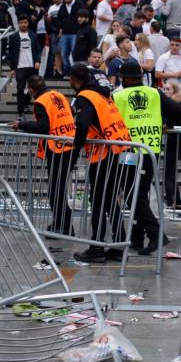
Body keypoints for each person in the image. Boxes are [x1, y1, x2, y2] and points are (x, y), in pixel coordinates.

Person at [113, 60, 181, 255]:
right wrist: (166, 124)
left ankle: (156, 234)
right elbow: (178, 111)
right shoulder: (154, 93)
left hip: (128, 153)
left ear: (125, 78)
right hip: (150, 151)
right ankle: (137, 238)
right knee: (138, 196)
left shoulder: (118, 96)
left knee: (132, 196)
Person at [68, 63, 133, 263]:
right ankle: (119, 244)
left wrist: (74, 152)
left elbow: (83, 125)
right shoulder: (103, 94)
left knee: (97, 200)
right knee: (111, 199)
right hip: (120, 149)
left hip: (105, 154)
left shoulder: (85, 97)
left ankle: (96, 247)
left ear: (74, 80)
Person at [9, 74, 76, 237]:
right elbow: (71, 111)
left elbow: (43, 127)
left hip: (57, 149)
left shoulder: (40, 102)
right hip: (70, 145)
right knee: (58, 189)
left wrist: (22, 124)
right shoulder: (58, 94)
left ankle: (63, 227)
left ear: (31, 90)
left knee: (55, 191)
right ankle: (63, 225)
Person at [7, 15, 41, 115]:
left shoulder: (33, 36)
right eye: (21, 23)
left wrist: (38, 61)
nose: (23, 25)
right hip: (20, 67)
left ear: (28, 23)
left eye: (25, 22)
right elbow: (11, 53)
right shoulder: (13, 36)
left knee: (34, 88)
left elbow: (38, 49)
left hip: (32, 66)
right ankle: (20, 110)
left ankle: (26, 104)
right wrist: (12, 68)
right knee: (20, 88)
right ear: (18, 24)